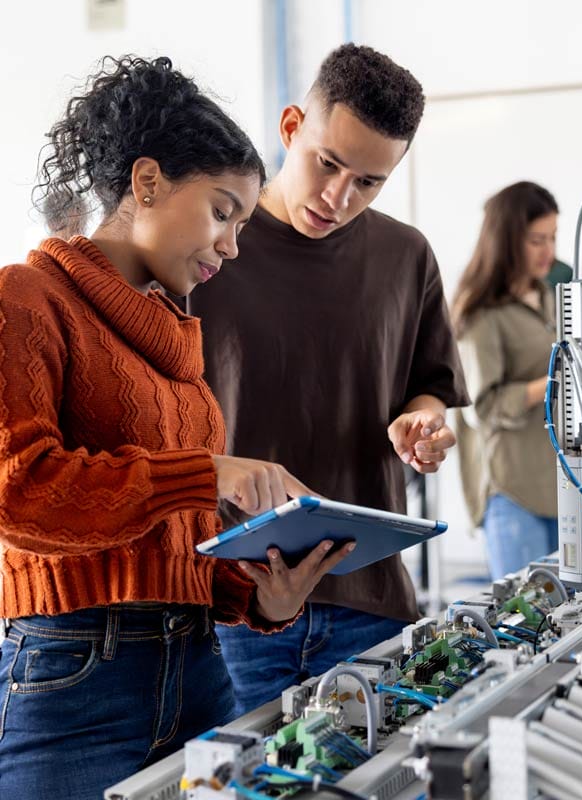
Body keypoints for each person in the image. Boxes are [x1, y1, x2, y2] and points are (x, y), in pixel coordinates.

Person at [0, 56, 352, 800]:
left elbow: (169, 539)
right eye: (223, 212)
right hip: (73, 681)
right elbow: (18, 494)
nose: (231, 245)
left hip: (198, 669)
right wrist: (204, 473)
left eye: (243, 225)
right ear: (148, 181)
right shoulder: (26, 300)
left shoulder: (173, 337)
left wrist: (258, 596)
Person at [186, 44, 469, 715]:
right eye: (328, 163)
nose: (339, 196)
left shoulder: (405, 255)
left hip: (369, 598)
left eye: (368, 181)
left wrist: (423, 424)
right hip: (231, 600)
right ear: (290, 128)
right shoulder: (208, 244)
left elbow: (430, 386)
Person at [451, 182, 560, 581]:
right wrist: (549, 384)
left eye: (552, 237)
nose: (548, 250)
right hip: (512, 491)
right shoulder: (481, 312)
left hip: (558, 485)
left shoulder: (548, 297)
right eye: (537, 240)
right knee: (527, 624)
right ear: (508, 240)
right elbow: (482, 408)